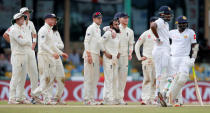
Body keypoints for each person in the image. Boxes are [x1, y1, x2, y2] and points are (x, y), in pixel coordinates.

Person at [31, 14, 68, 104]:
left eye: (54, 19)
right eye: (52, 19)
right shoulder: (43, 30)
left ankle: (39, 95)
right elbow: (43, 45)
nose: (54, 21)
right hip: (44, 56)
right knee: (46, 78)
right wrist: (52, 53)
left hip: (49, 56)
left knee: (50, 78)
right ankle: (38, 96)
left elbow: (52, 45)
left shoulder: (50, 30)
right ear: (46, 20)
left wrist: (61, 53)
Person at [167, 16, 198, 107]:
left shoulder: (190, 32)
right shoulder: (171, 32)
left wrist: (193, 58)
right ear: (177, 24)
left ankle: (169, 97)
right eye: (182, 23)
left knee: (182, 79)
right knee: (175, 80)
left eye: (185, 23)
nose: (184, 25)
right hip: (173, 58)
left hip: (185, 58)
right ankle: (178, 101)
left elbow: (195, 46)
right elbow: (163, 41)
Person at [150, 6, 173, 107]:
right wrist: (158, 37)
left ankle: (158, 96)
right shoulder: (159, 21)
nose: (169, 16)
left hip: (160, 50)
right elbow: (152, 26)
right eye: (167, 14)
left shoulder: (166, 24)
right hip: (162, 51)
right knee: (170, 73)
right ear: (162, 14)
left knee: (159, 74)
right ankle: (163, 93)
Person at [135, 17, 158, 105]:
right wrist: (139, 57)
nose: (154, 24)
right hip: (147, 60)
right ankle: (145, 99)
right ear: (150, 24)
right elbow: (137, 45)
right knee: (147, 79)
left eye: (155, 23)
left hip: (156, 60)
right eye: (152, 23)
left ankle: (152, 99)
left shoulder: (159, 34)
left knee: (155, 80)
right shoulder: (146, 33)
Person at [8, 13, 30, 104]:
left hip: (24, 55)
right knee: (16, 77)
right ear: (17, 19)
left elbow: (24, 40)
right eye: (21, 18)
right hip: (17, 55)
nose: (23, 20)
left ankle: (20, 97)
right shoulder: (14, 29)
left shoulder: (22, 29)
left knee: (22, 77)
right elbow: (21, 42)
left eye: (23, 18)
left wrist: (26, 41)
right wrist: (28, 42)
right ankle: (12, 98)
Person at [83, 12, 103, 105]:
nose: (100, 20)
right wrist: (89, 55)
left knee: (95, 78)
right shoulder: (91, 28)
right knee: (89, 78)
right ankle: (87, 99)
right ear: (94, 19)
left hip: (96, 55)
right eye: (98, 18)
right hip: (90, 54)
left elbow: (98, 44)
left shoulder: (98, 29)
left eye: (101, 18)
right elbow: (86, 41)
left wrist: (99, 55)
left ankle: (91, 98)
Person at [43, 24, 66, 105]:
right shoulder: (45, 31)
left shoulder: (56, 32)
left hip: (57, 56)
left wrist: (54, 46)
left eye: (56, 21)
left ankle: (57, 98)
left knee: (62, 77)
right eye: (53, 20)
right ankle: (48, 98)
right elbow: (44, 45)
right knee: (50, 78)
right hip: (49, 56)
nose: (55, 23)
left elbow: (62, 45)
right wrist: (54, 47)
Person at [101, 19, 120, 105]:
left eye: (118, 24)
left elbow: (117, 45)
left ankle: (110, 97)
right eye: (115, 24)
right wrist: (105, 52)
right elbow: (100, 42)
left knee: (114, 78)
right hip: (108, 58)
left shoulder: (117, 34)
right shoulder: (108, 33)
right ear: (111, 26)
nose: (117, 26)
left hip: (115, 58)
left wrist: (118, 52)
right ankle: (107, 98)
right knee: (109, 78)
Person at [117, 12, 134, 105]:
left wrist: (130, 53)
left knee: (123, 78)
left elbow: (131, 44)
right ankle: (111, 97)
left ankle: (120, 98)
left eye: (127, 18)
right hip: (116, 56)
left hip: (124, 57)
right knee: (113, 77)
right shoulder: (115, 29)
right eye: (124, 18)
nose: (126, 19)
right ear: (119, 19)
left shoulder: (130, 31)